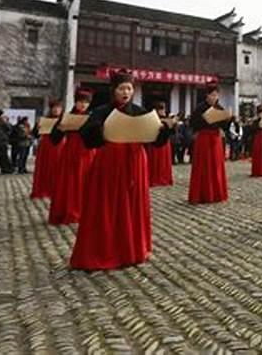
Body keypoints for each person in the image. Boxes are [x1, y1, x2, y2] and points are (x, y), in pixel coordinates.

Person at [70, 70, 173, 270]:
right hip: (108, 163)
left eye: (129, 88)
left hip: (135, 163)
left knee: (132, 204)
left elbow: (156, 142)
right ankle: (104, 250)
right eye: (121, 88)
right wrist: (100, 130)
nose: (125, 92)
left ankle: (131, 249)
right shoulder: (101, 111)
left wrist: (165, 131)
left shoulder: (141, 111)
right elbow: (88, 139)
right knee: (107, 205)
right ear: (113, 90)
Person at [48, 89, 96, 225]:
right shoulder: (66, 116)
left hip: (88, 153)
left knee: (87, 182)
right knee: (69, 182)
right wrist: (60, 129)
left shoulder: (92, 117)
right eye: (81, 102)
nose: (83, 105)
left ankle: (87, 211)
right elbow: (54, 139)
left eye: (86, 103)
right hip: (70, 153)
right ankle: (69, 210)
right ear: (75, 102)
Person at [188, 83, 232, 204]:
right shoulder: (200, 108)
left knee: (216, 166)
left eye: (216, 95)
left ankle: (217, 194)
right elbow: (193, 124)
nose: (215, 97)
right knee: (203, 166)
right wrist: (205, 119)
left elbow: (225, 127)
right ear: (207, 95)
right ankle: (202, 194)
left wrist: (228, 119)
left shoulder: (219, 107)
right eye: (212, 95)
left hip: (216, 139)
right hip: (204, 139)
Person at [30, 100, 65, 199]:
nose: (56, 110)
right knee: (44, 167)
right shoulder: (44, 119)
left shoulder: (64, 120)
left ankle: (56, 190)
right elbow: (35, 134)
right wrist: (37, 127)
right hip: (45, 145)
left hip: (59, 145)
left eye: (58, 107)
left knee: (57, 168)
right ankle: (42, 189)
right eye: (54, 107)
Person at [146, 101, 174, 187]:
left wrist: (172, 124)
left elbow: (171, 132)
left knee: (164, 163)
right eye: (161, 109)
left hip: (165, 143)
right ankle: (154, 178)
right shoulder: (151, 118)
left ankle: (165, 177)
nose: (163, 111)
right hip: (155, 142)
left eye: (164, 109)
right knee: (155, 162)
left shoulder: (167, 117)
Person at [250, 104, 262, 176]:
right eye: (261, 112)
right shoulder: (256, 121)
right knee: (258, 153)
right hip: (258, 138)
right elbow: (252, 130)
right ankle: (257, 170)